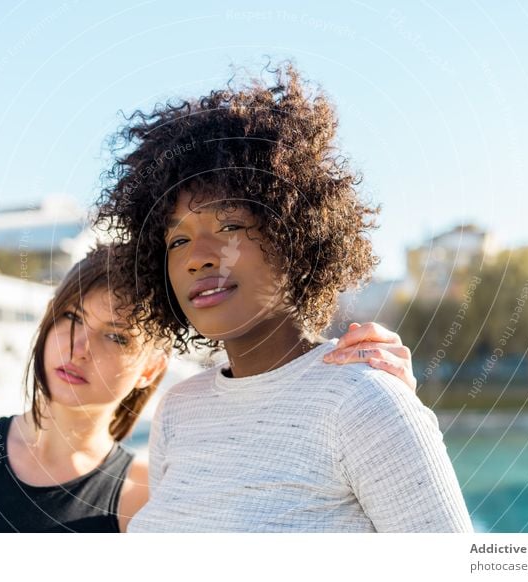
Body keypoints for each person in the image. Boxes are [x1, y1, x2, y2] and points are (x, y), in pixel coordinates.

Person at [96, 63, 473, 532]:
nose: (197, 258)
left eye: (229, 225)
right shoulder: (177, 410)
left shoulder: (365, 403)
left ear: (293, 237)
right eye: (177, 241)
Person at [0, 246, 414, 532]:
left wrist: (376, 387)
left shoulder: (150, 499)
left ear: (151, 369)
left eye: (116, 336)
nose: (79, 347)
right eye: (71, 318)